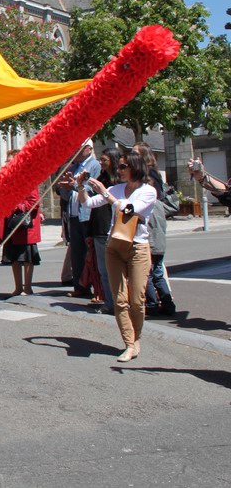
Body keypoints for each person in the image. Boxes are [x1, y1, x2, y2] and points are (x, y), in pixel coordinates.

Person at [80, 151, 156, 362]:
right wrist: (79, 187)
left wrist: (106, 194)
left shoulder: (148, 191)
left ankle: (136, 338)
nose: (119, 170)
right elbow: (88, 204)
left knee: (137, 300)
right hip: (114, 246)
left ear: (135, 167)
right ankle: (129, 344)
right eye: (119, 167)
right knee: (119, 299)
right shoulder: (116, 188)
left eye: (123, 167)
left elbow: (129, 210)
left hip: (137, 247)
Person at [56, 139, 101, 298]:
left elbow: (92, 189)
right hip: (74, 214)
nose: (74, 150)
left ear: (88, 149)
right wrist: (64, 187)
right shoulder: (73, 167)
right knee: (77, 253)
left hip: (87, 215)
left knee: (91, 253)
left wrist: (74, 185)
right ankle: (80, 286)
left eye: (78, 148)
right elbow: (67, 194)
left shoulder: (94, 166)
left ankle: (97, 288)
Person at [0, 149, 41, 296]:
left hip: (24, 224)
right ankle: (18, 287)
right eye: (7, 161)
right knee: (14, 257)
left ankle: (27, 287)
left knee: (27, 257)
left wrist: (18, 206)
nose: (7, 163)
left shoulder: (28, 178)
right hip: (11, 223)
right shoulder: (6, 179)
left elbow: (34, 201)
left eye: (10, 161)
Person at [88, 147, 121, 315]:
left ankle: (121, 302)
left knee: (117, 270)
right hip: (99, 226)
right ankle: (110, 302)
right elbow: (90, 202)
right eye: (100, 159)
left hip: (113, 227)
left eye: (104, 160)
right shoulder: (101, 178)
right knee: (104, 270)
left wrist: (102, 190)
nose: (101, 162)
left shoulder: (118, 182)